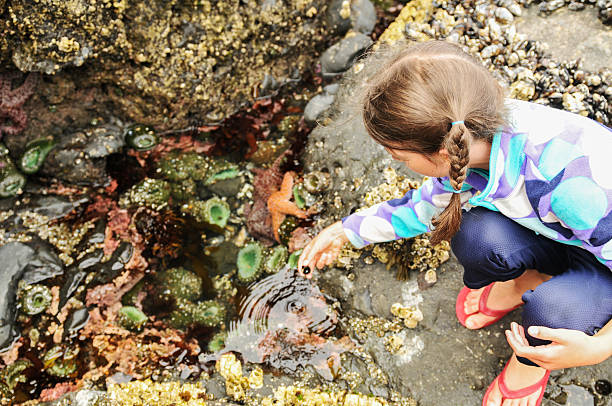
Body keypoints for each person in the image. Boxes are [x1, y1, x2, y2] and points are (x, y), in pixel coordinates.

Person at [297, 40, 612, 406]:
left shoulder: (573, 186)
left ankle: (529, 362)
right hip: (563, 232)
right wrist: (346, 231)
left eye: (398, 156)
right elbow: (423, 207)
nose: (397, 162)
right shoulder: (473, 136)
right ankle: (528, 278)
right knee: (472, 233)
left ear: (443, 152)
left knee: (551, 314)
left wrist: (600, 348)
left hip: (603, 253)